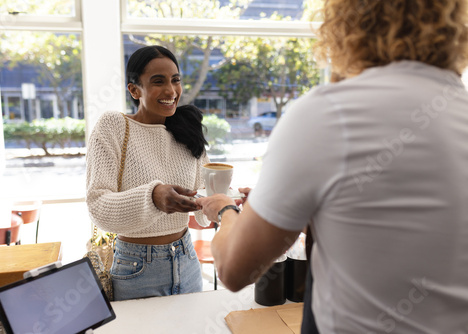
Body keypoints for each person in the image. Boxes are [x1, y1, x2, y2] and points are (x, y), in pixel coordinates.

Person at [197, 1, 468, 333]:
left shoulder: (330, 113)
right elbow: (400, 235)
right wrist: (297, 212)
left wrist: (227, 212)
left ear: (346, 23)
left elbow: (234, 270)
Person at [86, 45, 210, 301]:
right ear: (134, 89)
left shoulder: (188, 131)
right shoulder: (113, 126)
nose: (171, 91)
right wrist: (153, 196)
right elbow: (97, 205)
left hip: (187, 259)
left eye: (176, 80)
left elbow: (199, 216)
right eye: (158, 81)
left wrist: (223, 202)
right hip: (136, 267)